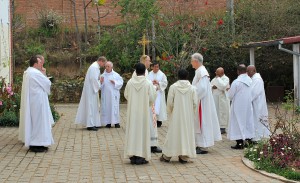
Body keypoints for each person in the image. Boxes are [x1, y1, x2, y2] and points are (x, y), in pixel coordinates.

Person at [160, 69, 197, 164]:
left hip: (176, 115)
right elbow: (195, 103)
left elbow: (169, 102)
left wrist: (171, 112)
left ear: (178, 76)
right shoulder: (192, 88)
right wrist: (191, 113)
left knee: (173, 133)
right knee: (186, 134)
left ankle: (167, 156)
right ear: (187, 76)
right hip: (187, 116)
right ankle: (184, 156)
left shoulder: (173, 87)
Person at [19, 55, 54, 152]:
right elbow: (47, 83)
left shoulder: (28, 71)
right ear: (35, 64)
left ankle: (40, 143)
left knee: (36, 122)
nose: (41, 64)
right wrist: (44, 74)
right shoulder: (35, 73)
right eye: (40, 63)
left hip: (34, 101)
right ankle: (36, 144)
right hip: (38, 102)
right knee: (39, 122)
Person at [124, 63, 157, 165]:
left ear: (136, 71)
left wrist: (133, 101)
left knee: (133, 132)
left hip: (133, 112)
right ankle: (141, 156)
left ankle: (133, 155)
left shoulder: (130, 82)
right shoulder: (147, 83)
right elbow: (152, 97)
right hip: (143, 112)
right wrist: (147, 103)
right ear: (144, 71)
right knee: (142, 132)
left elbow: (126, 95)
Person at [191, 53, 222, 154]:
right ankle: (200, 144)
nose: (191, 63)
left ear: (196, 61)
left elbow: (202, 88)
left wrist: (193, 93)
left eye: (192, 61)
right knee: (201, 122)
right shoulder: (199, 71)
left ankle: (203, 145)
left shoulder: (202, 71)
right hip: (201, 101)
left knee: (202, 122)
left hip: (202, 102)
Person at [133, 55, 162, 153]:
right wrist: (155, 88)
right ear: (144, 61)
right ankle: (151, 145)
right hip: (146, 103)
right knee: (150, 122)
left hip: (142, 102)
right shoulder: (143, 72)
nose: (150, 63)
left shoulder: (141, 71)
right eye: (149, 61)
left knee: (151, 122)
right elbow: (146, 87)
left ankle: (149, 143)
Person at [75, 56, 107, 131]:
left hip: (92, 90)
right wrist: (100, 82)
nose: (103, 66)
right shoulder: (94, 67)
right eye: (104, 64)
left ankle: (94, 123)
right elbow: (93, 80)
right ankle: (90, 125)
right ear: (101, 61)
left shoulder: (95, 67)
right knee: (91, 106)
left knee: (94, 106)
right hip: (91, 90)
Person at [228, 64, 255, 149]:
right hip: (248, 105)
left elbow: (230, 95)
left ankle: (239, 143)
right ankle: (249, 141)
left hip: (238, 107)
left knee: (237, 123)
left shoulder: (236, 82)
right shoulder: (251, 80)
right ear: (245, 71)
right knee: (248, 122)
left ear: (238, 71)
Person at [247, 65, 270, 142]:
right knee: (255, 119)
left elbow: (253, 93)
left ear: (252, 71)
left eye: (248, 71)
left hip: (257, 104)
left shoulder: (257, 80)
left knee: (257, 119)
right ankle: (255, 136)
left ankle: (257, 137)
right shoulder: (254, 78)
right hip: (256, 103)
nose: (247, 73)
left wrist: (246, 99)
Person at [100, 61, 124, 128]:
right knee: (107, 108)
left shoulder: (116, 75)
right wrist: (101, 82)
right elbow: (100, 87)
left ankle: (116, 122)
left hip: (114, 95)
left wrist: (115, 82)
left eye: (108, 66)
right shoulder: (102, 76)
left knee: (115, 108)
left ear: (111, 67)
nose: (107, 68)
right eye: (106, 66)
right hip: (106, 96)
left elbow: (121, 82)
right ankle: (108, 122)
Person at [148, 62, 168, 127]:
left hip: (159, 92)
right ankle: (151, 120)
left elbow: (165, 83)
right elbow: (147, 82)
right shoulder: (149, 74)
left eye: (157, 67)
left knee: (159, 106)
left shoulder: (162, 74)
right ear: (152, 67)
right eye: (155, 66)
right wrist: (151, 83)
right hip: (151, 92)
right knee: (152, 106)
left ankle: (159, 121)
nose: (156, 68)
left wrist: (158, 83)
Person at [211, 67, 230, 134]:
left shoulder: (226, 78)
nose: (215, 73)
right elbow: (210, 85)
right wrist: (212, 86)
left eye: (217, 72)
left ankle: (222, 127)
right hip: (215, 98)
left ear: (221, 72)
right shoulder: (214, 79)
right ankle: (216, 126)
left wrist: (218, 80)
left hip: (222, 98)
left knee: (222, 113)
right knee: (216, 111)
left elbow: (223, 86)